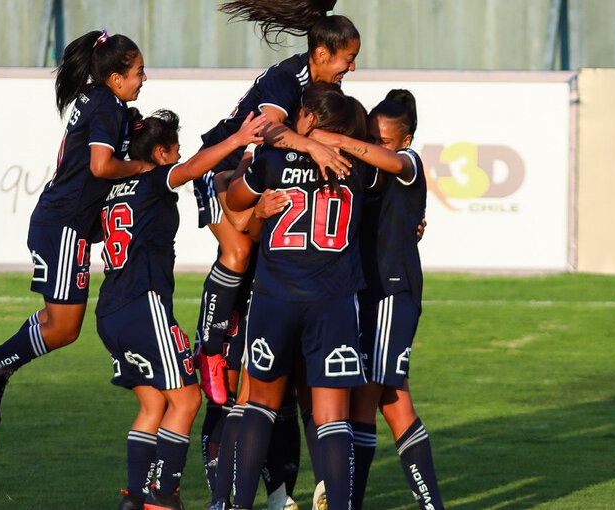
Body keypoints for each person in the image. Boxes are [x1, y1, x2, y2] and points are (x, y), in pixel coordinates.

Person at [193, 0, 362, 497]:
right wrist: (310, 146)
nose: (352, 67)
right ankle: (214, 343)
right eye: (347, 58)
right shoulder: (285, 79)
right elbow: (265, 130)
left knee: (266, 234)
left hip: (258, 175)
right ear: (323, 53)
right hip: (220, 165)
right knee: (242, 250)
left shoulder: (324, 88)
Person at [222, 83, 409, 510]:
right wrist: (340, 143)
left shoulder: (272, 158)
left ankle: (237, 505)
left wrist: (257, 210)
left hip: (275, 296)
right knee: (331, 418)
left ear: (307, 117)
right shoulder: (356, 164)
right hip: (333, 300)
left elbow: (234, 202)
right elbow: (397, 167)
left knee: (260, 406)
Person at [0, 30, 153, 423]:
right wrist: (142, 167)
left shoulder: (99, 99)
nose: (145, 79)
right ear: (117, 76)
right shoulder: (107, 104)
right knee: (63, 328)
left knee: (57, 324)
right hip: (63, 226)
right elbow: (101, 166)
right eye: (140, 71)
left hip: (63, 224)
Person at [94, 107, 267, 510]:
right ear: (159, 152)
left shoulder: (113, 191)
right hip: (144, 305)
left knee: (154, 404)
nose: (179, 155)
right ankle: (164, 496)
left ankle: (135, 496)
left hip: (110, 312)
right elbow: (190, 169)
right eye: (174, 150)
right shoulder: (152, 180)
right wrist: (237, 140)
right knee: (187, 401)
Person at [326, 89, 445, 509]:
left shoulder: (409, 164)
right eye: (371, 139)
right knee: (395, 405)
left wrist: (341, 140)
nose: (376, 148)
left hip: (394, 292)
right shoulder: (369, 176)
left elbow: (394, 163)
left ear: (406, 141)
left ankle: (347, 503)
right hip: (370, 293)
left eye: (384, 141)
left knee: (364, 399)